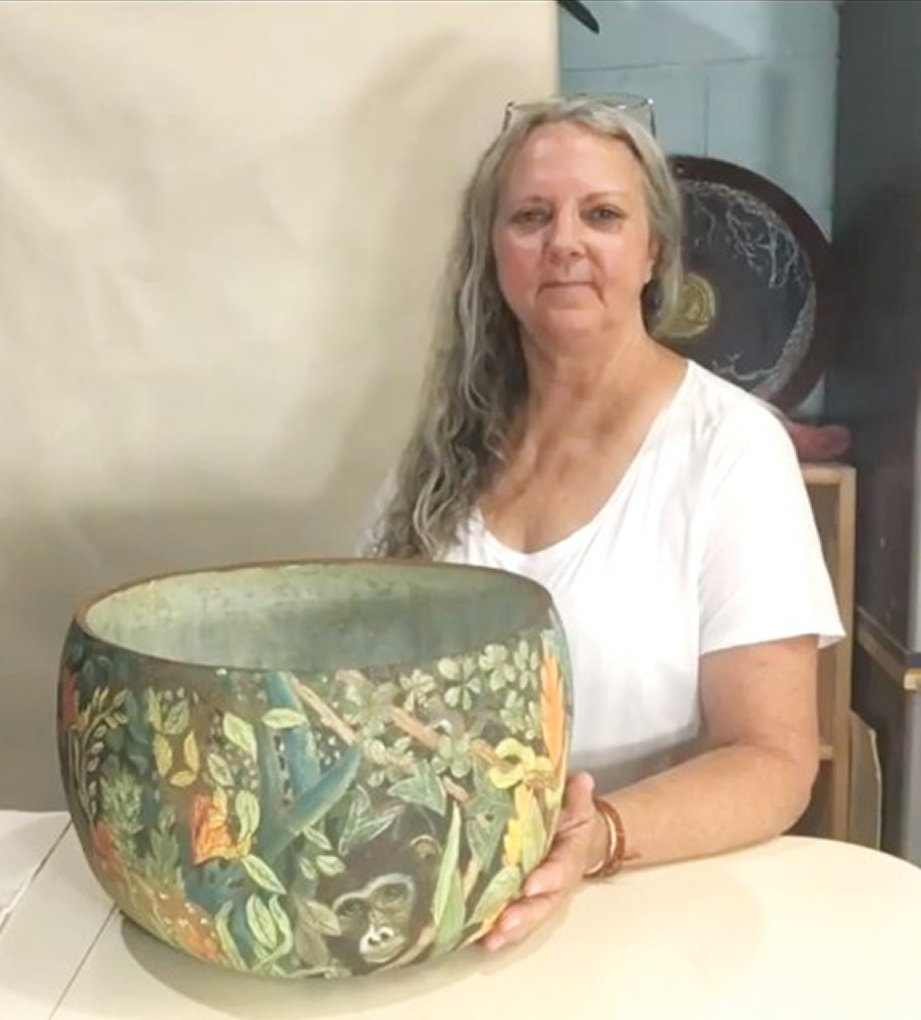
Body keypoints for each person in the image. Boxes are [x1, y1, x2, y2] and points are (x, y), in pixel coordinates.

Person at [359, 96, 844, 953]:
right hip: (443, 914)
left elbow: (773, 759)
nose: (566, 243)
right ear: (493, 253)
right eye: (532, 216)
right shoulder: (438, 454)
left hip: (646, 924)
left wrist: (598, 841)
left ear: (654, 250)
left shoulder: (730, 451)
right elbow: (356, 677)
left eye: (604, 215)